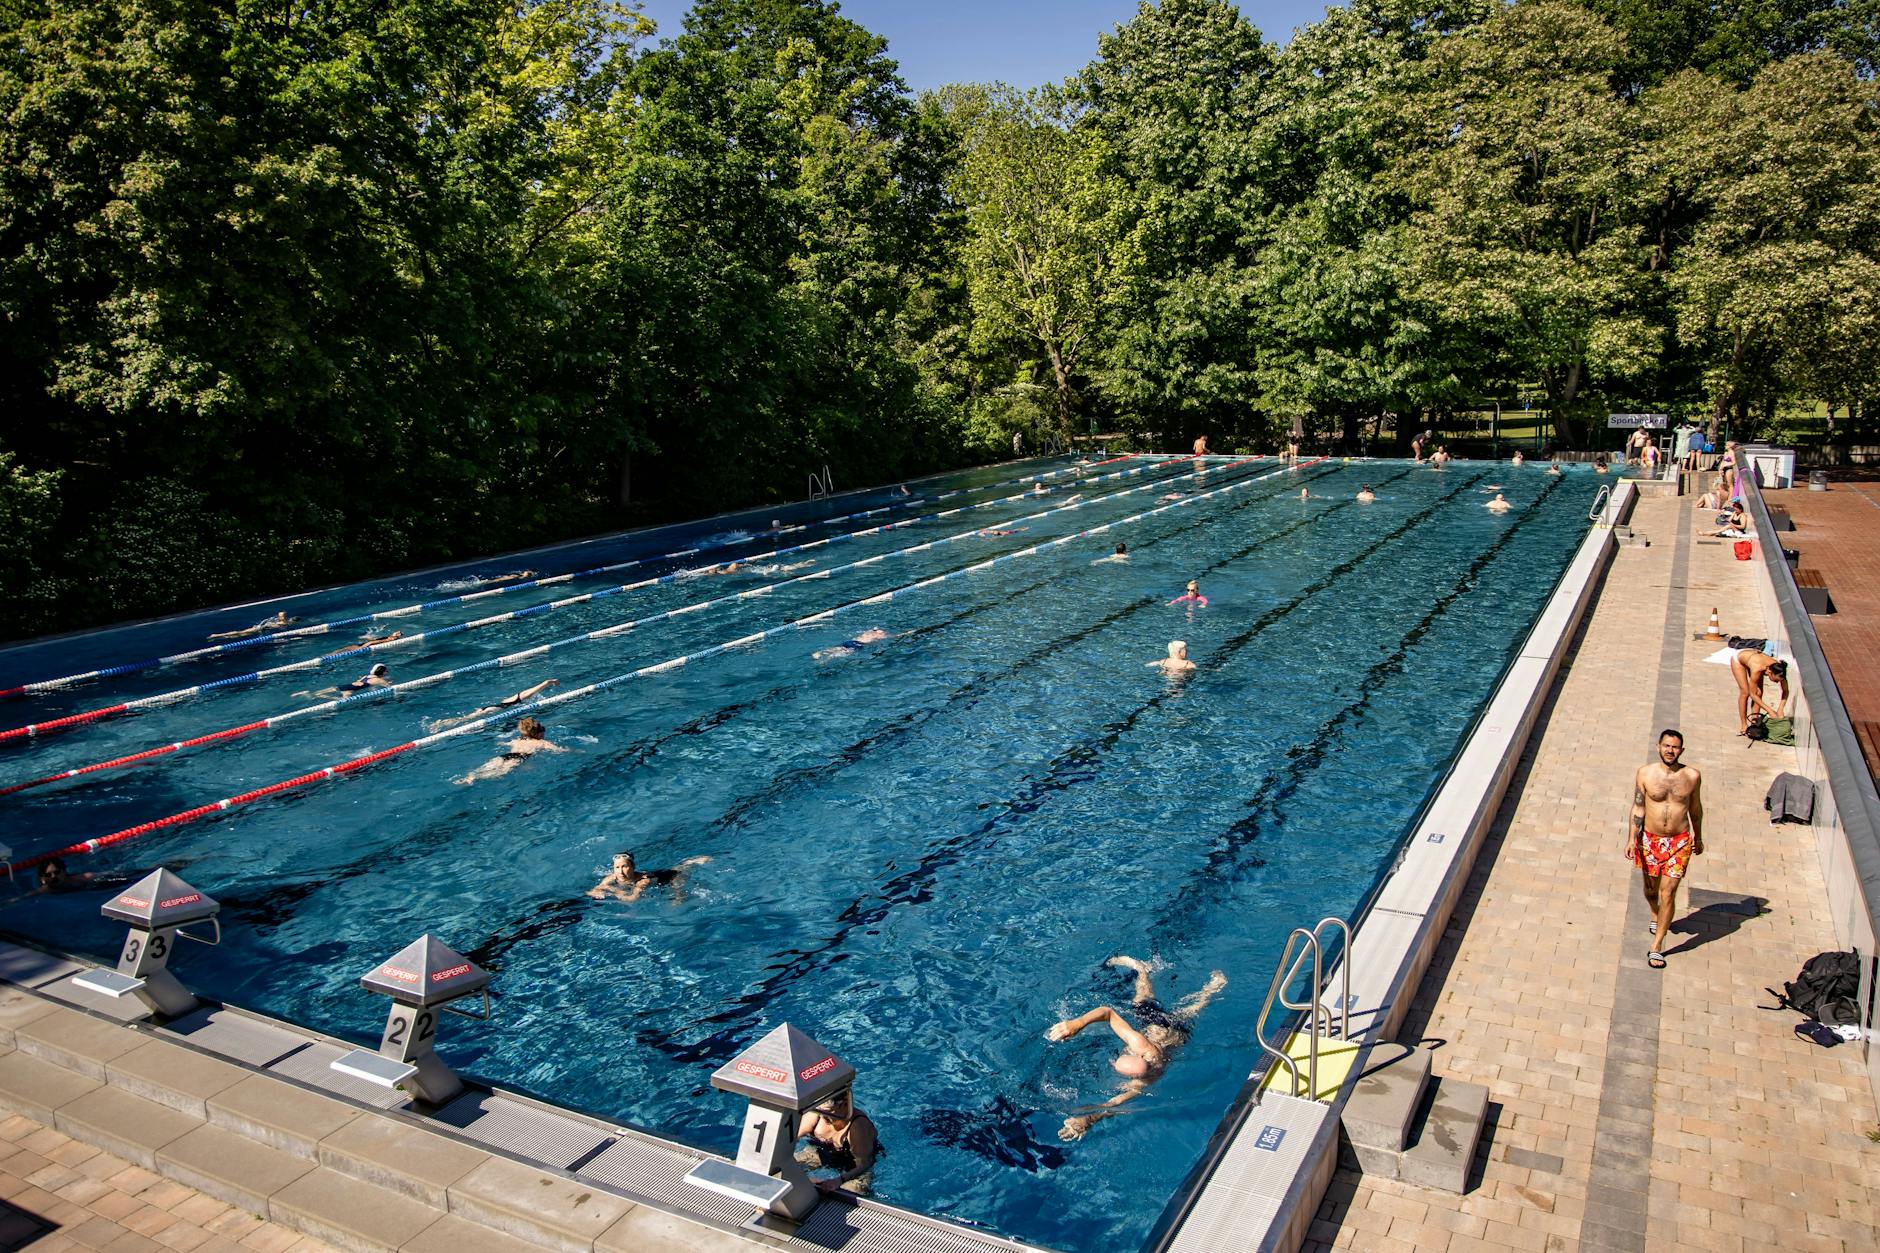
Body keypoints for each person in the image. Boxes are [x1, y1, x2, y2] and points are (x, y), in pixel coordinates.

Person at [1045, 957, 1227, 1140]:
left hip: (1169, 1029)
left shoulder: (1145, 1064)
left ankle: (1210, 987)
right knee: (1153, 1000)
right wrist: (1077, 1023)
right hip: (1165, 1031)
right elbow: (1107, 1013)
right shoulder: (1145, 1059)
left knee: (1190, 1008)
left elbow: (1116, 1102)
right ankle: (1144, 970)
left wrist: (1090, 1119)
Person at [1627, 730, 1704, 969]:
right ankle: (1656, 913)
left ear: (1682, 750)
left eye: (1675, 747)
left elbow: (1695, 808)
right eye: (1667, 746)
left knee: (1668, 893)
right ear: (1658, 746)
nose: (1670, 750)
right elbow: (1638, 807)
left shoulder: (1692, 776)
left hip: (1679, 841)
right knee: (1651, 892)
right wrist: (1631, 839)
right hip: (1650, 839)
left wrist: (1698, 836)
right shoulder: (1645, 774)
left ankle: (1657, 946)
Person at [794, 1087, 880, 1194]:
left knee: (852, 1191)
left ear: (846, 1104)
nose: (824, 1116)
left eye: (829, 1111)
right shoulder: (817, 1113)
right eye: (819, 1110)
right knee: (784, 1167)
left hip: (853, 1166)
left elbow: (864, 1164)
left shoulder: (858, 1126)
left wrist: (839, 1180)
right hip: (820, 1155)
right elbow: (790, 1138)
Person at [455, 716, 567, 784]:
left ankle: (470, 777)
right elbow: (558, 750)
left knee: (487, 767)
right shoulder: (541, 742)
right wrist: (570, 751)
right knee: (500, 772)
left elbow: (506, 743)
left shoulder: (517, 740)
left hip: (505, 755)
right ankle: (475, 778)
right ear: (538, 733)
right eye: (543, 730)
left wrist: (502, 743)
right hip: (518, 757)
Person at [425, 679, 560, 732]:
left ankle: (442, 724)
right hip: (491, 710)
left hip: (491, 709)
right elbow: (528, 693)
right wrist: (547, 683)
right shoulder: (517, 699)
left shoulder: (514, 700)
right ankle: (441, 723)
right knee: (465, 720)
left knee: (466, 720)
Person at [588, 851, 711, 903]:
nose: (620, 871)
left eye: (624, 867)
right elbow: (593, 890)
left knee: (679, 899)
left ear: (633, 867)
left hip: (671, 877)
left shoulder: (642, 881)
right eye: (617, 867)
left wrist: (612, 890)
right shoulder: (611, 877)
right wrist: (597, 891)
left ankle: (690, 863)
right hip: (656, 873)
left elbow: (632, 899)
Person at [1730, 652, 1789, 736]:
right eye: (1776, 680)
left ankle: (1754, 722)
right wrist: (1770, 711)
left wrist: (1780, 709)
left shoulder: (1780, 670)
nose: (1777, 683)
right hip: (1739, 659)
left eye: (1779, 681)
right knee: (1745, 692)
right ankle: (1744, 725)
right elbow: (1752, 694)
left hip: (1755, 658)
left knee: (1759, 692)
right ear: (1769, 672)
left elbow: (1786, 691)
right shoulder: (1758, 669)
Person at [295, 663, 391, 700]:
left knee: (315, 694)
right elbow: (390, 688)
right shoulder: (379, 680)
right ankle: (308, 694)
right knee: (339, 700)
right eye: (386, 671)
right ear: (382, 672)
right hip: (349, 691)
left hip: (343, 686)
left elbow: (359, 682)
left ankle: (306, 693)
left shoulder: (366, 676)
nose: (387, 672)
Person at [208, 611, 297, 641]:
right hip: (259, 629)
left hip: (260, 628)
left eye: (281, 616)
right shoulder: (281, 623)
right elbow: (270, 625)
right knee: (240, 633)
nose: (280, 617)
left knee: (241, 634)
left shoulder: (282, 621)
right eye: (280, 616)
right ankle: (217, 635)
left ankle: (220, 637)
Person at [814, 627, 893, 661]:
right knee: (844, 652)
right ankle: (828, 658)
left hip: (850, 641)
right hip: (857, 644)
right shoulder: (879, 636)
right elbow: (891, 636)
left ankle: (819, 652)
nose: (884, 633)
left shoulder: (869, 632)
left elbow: (875, 628)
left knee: (839, 648)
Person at [324, 630, 401, 656]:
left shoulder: (390, 638)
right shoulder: (390, 638)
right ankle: (328, 655)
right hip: (363, 646)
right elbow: (374, 641)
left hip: (361, 645)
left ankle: (327, 655)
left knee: (340, 651)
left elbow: (375, 641)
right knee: (342, 651)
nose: (398, 634)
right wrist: (363, 646)